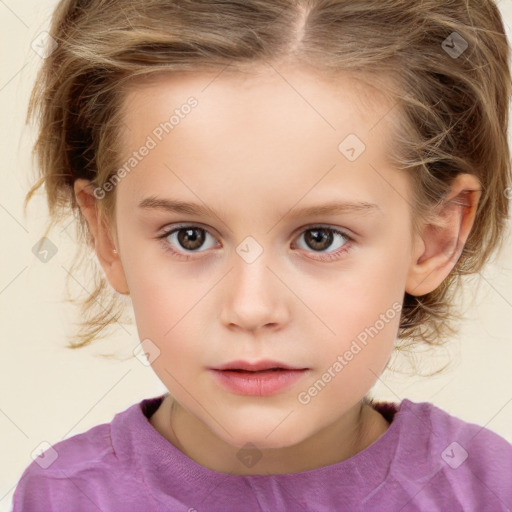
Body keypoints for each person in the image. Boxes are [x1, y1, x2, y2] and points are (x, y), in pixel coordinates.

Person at [12, 0, 512, 510]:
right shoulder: (65, 496)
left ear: (434, 236)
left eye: (320, 238)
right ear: (106, 234)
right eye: (190, 237)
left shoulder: (488, 491)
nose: (251, 308)